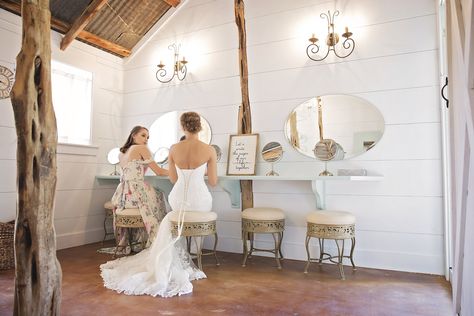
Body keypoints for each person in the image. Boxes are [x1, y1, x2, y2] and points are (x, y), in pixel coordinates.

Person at [101, 112, 218, 297]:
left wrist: (184, 173)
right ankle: (195, 252)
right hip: (200, 198)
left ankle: (179, 253)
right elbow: (213, 182)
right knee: (200, 208)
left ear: (182, 127)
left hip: (177, 198)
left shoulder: (173, 148)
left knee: (172, 210)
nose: (146, 139)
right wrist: (198, 173)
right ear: (200, 127)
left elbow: (172, 178)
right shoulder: (209, 149)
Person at [111, 126, 168, 251]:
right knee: (161, 195)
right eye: (143, 135)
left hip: (122, 197)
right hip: (136, 193)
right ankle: (160, 239)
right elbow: (158, 171)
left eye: (147, 137)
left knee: (157, 194)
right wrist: (176, 172)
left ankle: (139, 240)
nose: (146, 139)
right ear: (133, 135)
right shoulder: (141, 148)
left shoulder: (122, 152)